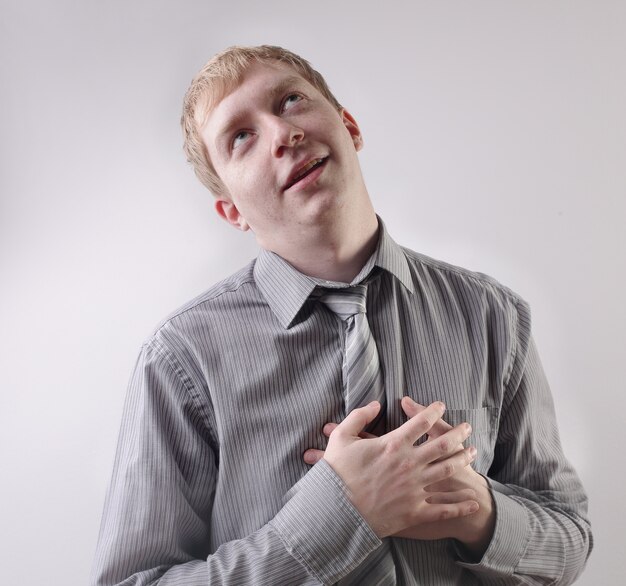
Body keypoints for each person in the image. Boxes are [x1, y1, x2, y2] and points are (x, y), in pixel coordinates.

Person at [91, 45, 592, 585]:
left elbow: (569, 541)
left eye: (290, 100)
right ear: (232, 210)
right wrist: (340, 516)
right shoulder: (181, 360)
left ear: (349, 126)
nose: (283, 135)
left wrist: (477, 510)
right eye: (241, 136)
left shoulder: (493, 317)